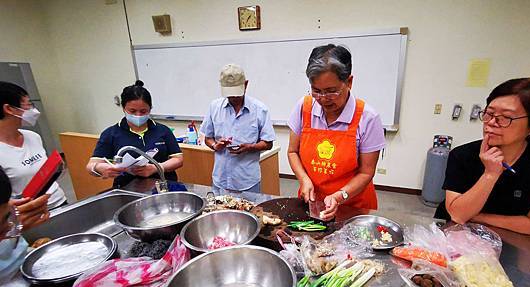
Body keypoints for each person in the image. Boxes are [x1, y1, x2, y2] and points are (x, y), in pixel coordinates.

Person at [435, 78, 530, 235]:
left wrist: (477, 217)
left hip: (518, 240)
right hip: (457, 236)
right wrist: (490, 174)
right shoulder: (462, 155)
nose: (491, 122)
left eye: (505, 118)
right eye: (489, 113)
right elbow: (458, 215)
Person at [287, 44, 385, 220]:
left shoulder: (367, 118)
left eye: (331, 91)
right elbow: (293, 151)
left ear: (349, 82)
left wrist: (340, 196)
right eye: (317, 91)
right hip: (312, 202)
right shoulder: (304, 107)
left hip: (351, 205)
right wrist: (304, 179)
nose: (323, 99)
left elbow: (366, 172)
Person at [87, 81, 183, 188]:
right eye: (132, 111)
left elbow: (178, 160)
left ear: (150, 108)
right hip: (127, 188)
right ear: (124, 108)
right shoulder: (111, 134)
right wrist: (99, 168)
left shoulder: (162, 130)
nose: (138, 115)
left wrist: (156, 167)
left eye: (143, 111)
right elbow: (91, 166)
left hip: (162, 187)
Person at [200, 64, 275, 194]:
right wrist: (215, 145)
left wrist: (250, 147)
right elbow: (208, 137)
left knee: (249, 213)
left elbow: (268, 143)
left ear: (246, 85)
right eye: (229, 95)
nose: (233, 98)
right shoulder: (214, 107)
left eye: (236, 94)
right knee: (220, 213)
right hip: (220, 179)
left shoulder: (260, 110)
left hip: (247, 180)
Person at [0, 81, 67, 210]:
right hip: (32, 213)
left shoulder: (32, 136)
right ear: (9, 109)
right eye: (29, 105)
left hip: (59, 201)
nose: (34, 110)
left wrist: (56, 169)